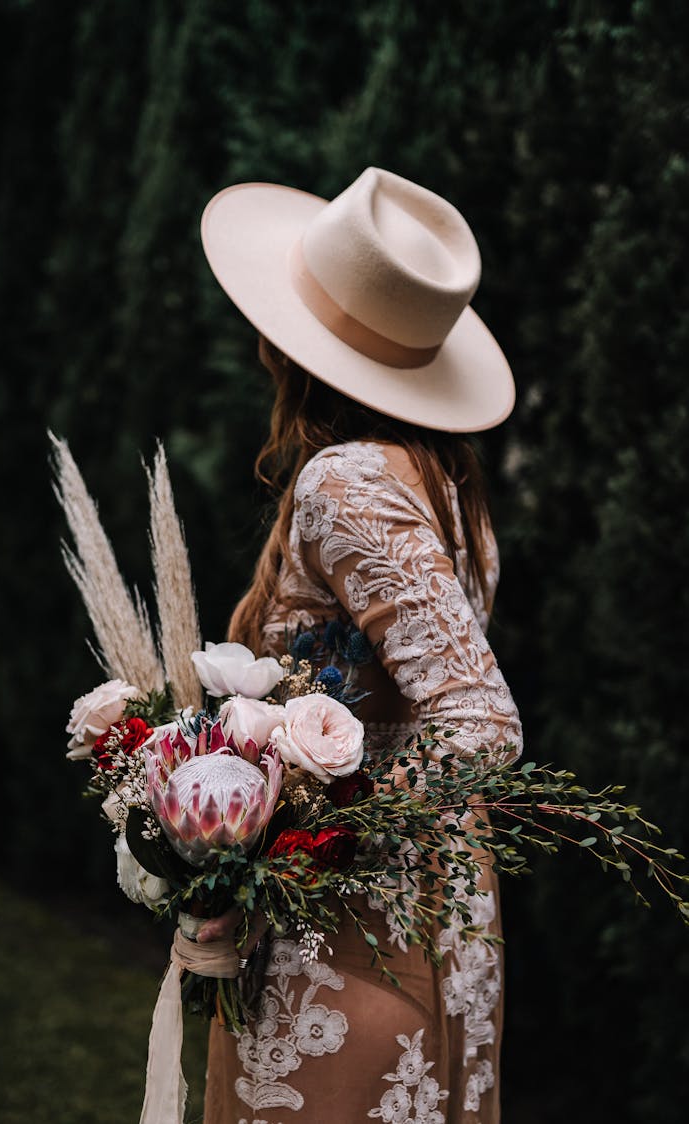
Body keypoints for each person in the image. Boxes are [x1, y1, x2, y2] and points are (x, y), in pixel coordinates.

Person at [196, 167, 523, 1124]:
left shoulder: (345, 482)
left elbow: (480, 724)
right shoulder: (446, 482)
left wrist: (298, 832)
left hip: (357, 913)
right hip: (437, 886)